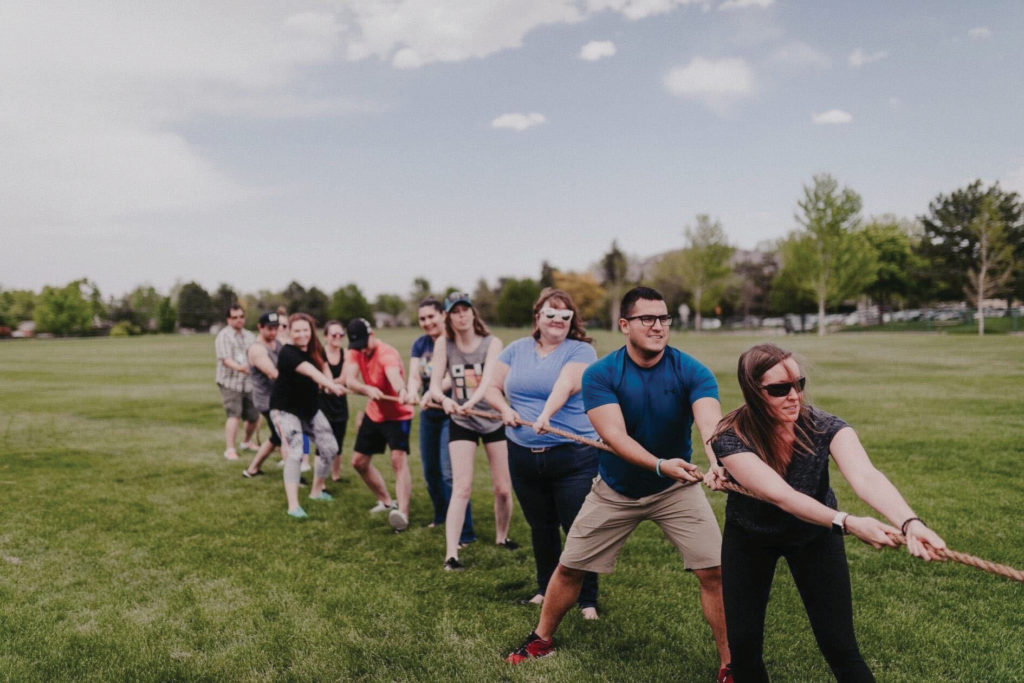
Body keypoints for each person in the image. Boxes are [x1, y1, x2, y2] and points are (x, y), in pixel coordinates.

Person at [505, 286, 732, 683]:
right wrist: (661, 464)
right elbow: (616, 437)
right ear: (624, 325)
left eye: (663, 318)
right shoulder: (601, 374)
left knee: (714, 570)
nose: (658, 326)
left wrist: (716, 461)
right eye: (648, 319)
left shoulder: (692, 370)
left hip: (675, 490)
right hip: (615, 490)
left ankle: (731, 663)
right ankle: (541, 638)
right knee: (570, 565)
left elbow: (710, 425)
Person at [706, 343, 946, 682]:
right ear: (753, 393)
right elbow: (781, 495)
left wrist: (910, 522)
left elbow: (866, 476)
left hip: (813, 538)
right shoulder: (731, 437)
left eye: (798, 384)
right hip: (750, 538)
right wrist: (847, 522)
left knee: (840, 647)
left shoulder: (825, 426)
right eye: (779, 389)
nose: (794, 396)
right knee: (744, 649)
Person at [485, 288, 600, 619]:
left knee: (578, 527)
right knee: (541, 525)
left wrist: (546, 415)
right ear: (538, 318)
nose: (558, 321)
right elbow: (491, 386)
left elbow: (566, 384)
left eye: (565, 316)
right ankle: (544, 588)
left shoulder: (581, 351)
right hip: (522, 452)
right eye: (551, 314)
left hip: (573, 455)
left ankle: (587, 598)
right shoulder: (516, 349)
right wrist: (504, 409)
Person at [428, 292, 515, 571]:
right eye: (455, 311)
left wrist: (472, 402)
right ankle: (451, 555)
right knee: (461, 487)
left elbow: (488, 379)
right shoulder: (445, 343)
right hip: (461, 421)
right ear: (448, 317)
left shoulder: (493, 343)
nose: (461, 315)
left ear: (473, 313)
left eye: (466, 310)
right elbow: (433, 386)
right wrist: (446, 401)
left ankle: (502, 537)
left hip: (491, 417)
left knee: (502, 489)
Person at [407, 298, 476, 545]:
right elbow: (415, 374)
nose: (427, 323)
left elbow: (453, 377)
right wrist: (412, 390)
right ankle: (441, 516)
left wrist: (433, 390)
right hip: (429, 414)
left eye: (431, 317)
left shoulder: (454, 343)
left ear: (442, 316)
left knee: (450, 474)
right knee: (430, 471)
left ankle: (466, 532)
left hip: (454, 414)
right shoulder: (420, 344)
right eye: (422, 318)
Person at [268, 313, 345, 518]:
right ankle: (293, 506)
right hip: (285, 409)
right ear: (289, 333)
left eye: (305, 330)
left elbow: (323, 369)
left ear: (311, 331)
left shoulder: (315, 350)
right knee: (296, 450)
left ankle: (316, 491)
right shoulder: (287, 353)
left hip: (309, 408)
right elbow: (310, 371)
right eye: (297, 331)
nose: (302, 334)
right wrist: (331, 385)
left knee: (330, 447)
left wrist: (328, 384)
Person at [343, 318, 415, 532]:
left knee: (397, 460)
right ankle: (386, 501)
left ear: (372, 335)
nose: (363, 350)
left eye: (365, 343)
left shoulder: (387, 354)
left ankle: (402, 514)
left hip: (398, 415)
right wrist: (367, 390)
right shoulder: (356, 351)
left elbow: (394, 376)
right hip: (374, 413)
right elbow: (350, 380)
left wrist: (401, 391)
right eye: (358, 346)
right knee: (358, 462)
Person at [214, 304, 259, 460]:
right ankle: (230, 449)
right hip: (230, 382)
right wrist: (241, 368)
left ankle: (246, 442)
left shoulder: (250, 336)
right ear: (228, 319)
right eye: (235, 317)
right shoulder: (223, 336)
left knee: (253, 416)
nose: (239, 320)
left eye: (241, 316)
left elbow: (257, 354)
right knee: (234, 414)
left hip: (249, 383)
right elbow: (225, 359)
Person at [243, 311, 282, 477]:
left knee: (278, 437)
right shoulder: (257, 349)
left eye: (276, 328)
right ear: (260, 327)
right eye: (269, 329)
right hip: (268, 401)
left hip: (280, 398)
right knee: (286, 436)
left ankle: (252, 469)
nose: (273, 332)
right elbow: (273, 373)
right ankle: (295, 475)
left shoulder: (277, 344)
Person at [320, 320, 350, 483]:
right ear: (326, 336)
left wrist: (330, 384)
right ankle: (321, 481)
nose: (338, 337)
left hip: (340, 404)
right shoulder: (320, 354)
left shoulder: (346, 354)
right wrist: (330, 383)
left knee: (338, 442)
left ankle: (335, 475)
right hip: (323, 405)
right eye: (334, 334)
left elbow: (344, 378)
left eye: (341, 334)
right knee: (323, 444)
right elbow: (327, 378)